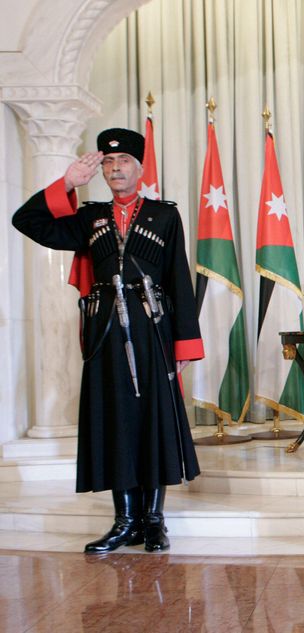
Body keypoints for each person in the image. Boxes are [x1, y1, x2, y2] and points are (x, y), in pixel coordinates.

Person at [12, 128, 204, 553]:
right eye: (108, 164)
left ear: (139, 168)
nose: (116, 169)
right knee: (116, 420)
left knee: (152, 419)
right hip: (105, 333)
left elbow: (179, 280)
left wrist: (184, 345)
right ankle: (124, 522)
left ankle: (153, 522)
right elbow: (27, 222)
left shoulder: (164, 216)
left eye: (124, 163)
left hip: (154, 329)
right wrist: (66, 184)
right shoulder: (90, 217)